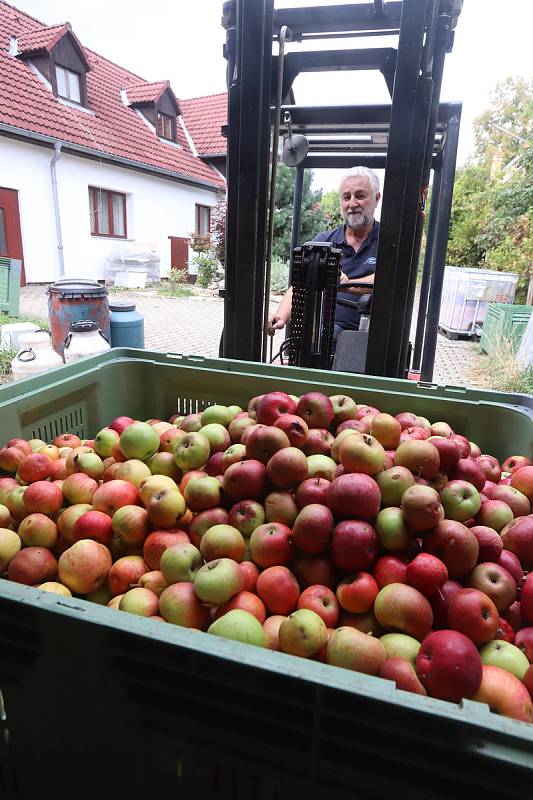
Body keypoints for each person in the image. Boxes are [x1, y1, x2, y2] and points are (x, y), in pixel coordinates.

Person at [267, 166, 381, 342]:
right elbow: (300, 284)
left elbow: (390, 281)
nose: (352, 204)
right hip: (326, 332)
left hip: (374, 335)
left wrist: (345, 283)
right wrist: (280, 316)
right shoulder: (324, 242)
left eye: (360, 196)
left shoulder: (389, 243)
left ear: (376, 198)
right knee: (312, 338)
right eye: (346, 197)